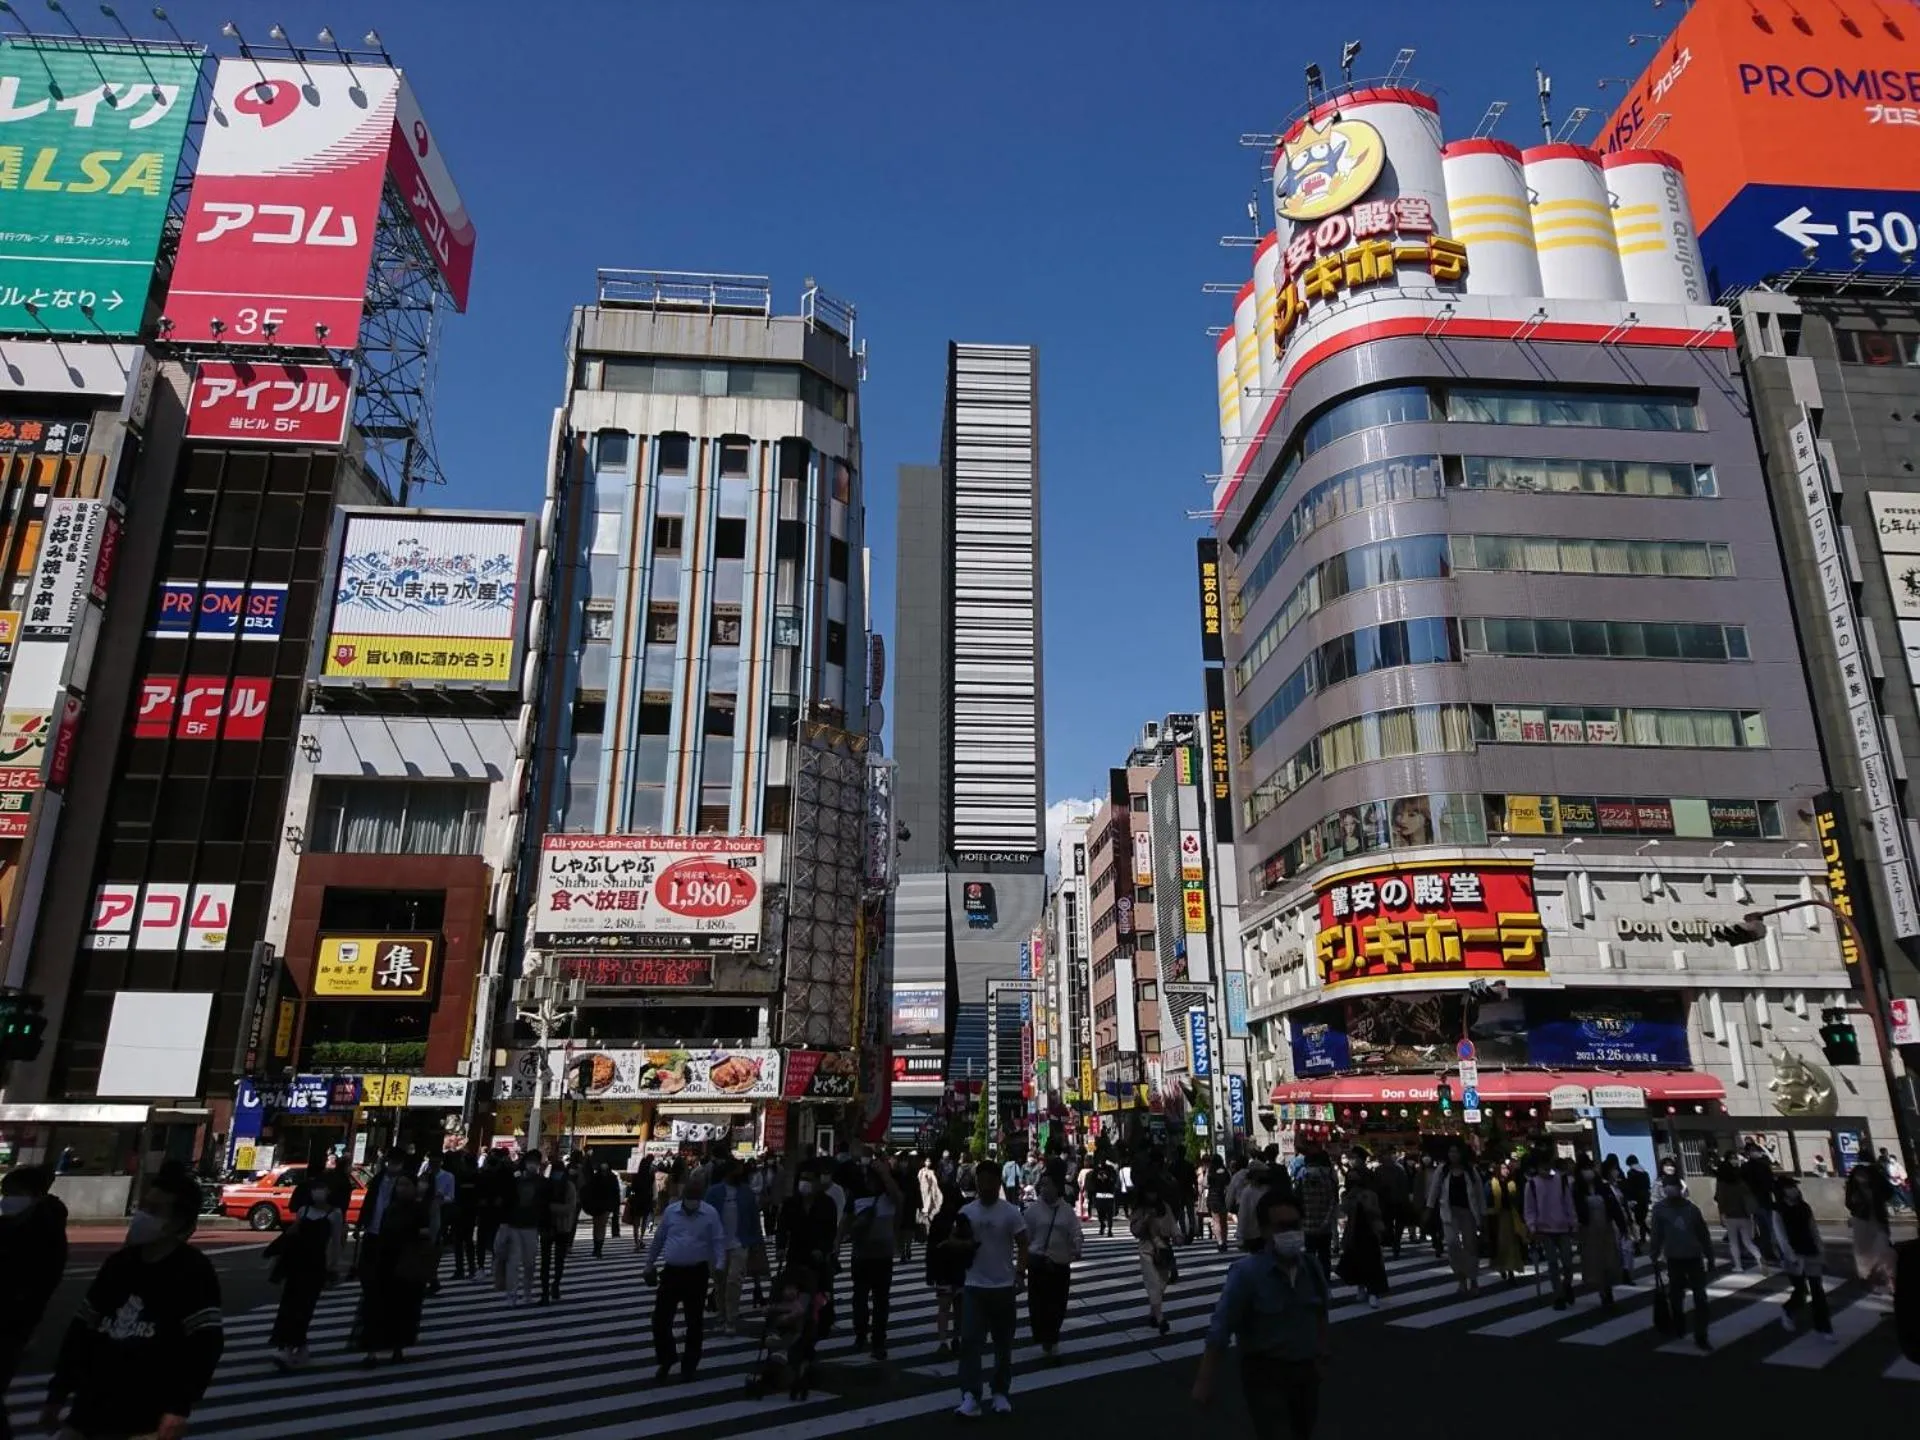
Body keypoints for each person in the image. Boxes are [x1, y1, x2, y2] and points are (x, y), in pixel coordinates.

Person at [41, 1164, 222, 1440]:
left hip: (145, 1414)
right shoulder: (119, 1264)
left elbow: (205, 1345)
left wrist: (178, 1407)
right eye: (144, 1206)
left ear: (179, 1223)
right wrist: (58, 1392)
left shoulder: (194, 1272)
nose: (142, 1216)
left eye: (155, 1211)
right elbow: (82, 1329)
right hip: (90, 1404)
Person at [1192, 1192, 1330, 1440]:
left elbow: (1320, 1313)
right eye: (1281, 1227)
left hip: (1305, 1370)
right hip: (1265, 1372)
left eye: (1295, 1226)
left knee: (1303, 1431)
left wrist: (1321, 1354)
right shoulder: (1247, 1273)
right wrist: (1205, 1379)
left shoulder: (1311, 1267)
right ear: (1265, 1230)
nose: (1290, 1233)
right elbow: (1221, 1327)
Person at [952, 1162, 1027, 1418]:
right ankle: (971, 1395)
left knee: (1003, 1343)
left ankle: (1000, 1392)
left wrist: (1020, 1272)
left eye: (989, 1181)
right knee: (970, 1341)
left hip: (1003, 1285)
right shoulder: (966, 1211)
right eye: (980, 1181)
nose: (984, 1186)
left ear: (998, 1183)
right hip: (974, 1285)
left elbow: (1023, 1243)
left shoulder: (1010, 1212)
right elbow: (956, 1241)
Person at [0, 1165, 67, 1440]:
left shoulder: (42, 1232)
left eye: (11, 1193)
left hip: (10, 1325)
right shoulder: (17, 1225)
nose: (5, 1199)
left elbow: (31, 1283)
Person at [645, 1172, 726, 1384]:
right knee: (661, 1318)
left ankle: (689, 1365)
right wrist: (649, 1263)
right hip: (672, 1271)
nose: (691, 1202)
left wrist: (719, 1265)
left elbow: (718, 1241)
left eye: (695, 1197)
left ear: (701, 1197)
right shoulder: (672, 1213)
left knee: (694, 1321)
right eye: (688, 1196)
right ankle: (666, 1358)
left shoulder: (710, 1214)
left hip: (697, 1273)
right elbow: (659, 1239)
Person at [265, 1174, 342, 1368]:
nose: (318, 1192)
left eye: (322, 1188)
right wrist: (277, 1258)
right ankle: (291, 1346)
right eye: (316, 1188)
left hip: (316, 1264)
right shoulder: (303, 1211)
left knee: (305, 1306)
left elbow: (335, 1242)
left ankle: (291, 1347)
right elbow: (292, 1236)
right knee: (289, 1304)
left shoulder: (334, 1214)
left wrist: (333, 1266)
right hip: (297, 1261)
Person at [358, 1165, 432, 1366]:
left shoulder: (419, 1210)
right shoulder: (390, 1208)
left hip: (406, 1264)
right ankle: (372, 1352)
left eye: (406, 1185)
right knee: (376, 1308)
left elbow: (425, 1239)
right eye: (399, 1185)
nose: (402, 1189)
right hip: (385, 1262)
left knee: (402, 1310)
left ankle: (397, 1349)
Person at [1648, 1171, 1715, 1351]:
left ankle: (1701, 1334)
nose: (1671, 1190)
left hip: (1693, 1256)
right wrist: (1653, 1253)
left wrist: (1709, 1254)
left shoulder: (1691, 1209)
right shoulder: (1660, 1210)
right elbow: (1656, 1233)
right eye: (1668, 1187)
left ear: (1680, 1189)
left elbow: (1703, 1234)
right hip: (1674, 1257)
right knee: (1676, 1295)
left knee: (1700, 1297)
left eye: (1674, 1187)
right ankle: (1679, 1322)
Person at [845, 1155, 902, 1361]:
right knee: (859, 1297)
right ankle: (860, 1333)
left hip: (883, 1256)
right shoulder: (856, 1195)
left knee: (881, 1301)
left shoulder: (889, 1197)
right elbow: (846, 1220)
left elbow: (898, 1197)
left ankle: (878, 1341)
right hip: (861, 1254)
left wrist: (885, 1174)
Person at [1022, 1169, 1082, 1359]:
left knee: (1058, 1303)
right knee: (1038, 1303)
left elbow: (1076, 1232)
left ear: (1058, 1188)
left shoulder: (1066, 1210)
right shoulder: (1032, 1211)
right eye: (1043, 1184)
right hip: (1038, 1262)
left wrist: (1077, 1246)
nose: (1044, 1189)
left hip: (1060, 1263)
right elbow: (1025, 1238)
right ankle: (1044, 1336)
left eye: (1049, 1185)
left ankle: (1052, 1335)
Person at [1771, 1174, 1833, 1340]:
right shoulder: (1778, 1211)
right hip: (1793, 1254)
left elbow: (1813, 1230)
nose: (1794, 1190)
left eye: (1795, 1187)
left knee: (1817, 1290)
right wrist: (1790, 1255)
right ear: (1782, 1191)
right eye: (1790, 1188)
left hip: (1810, 1251)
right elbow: (1781, 1236)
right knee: (1801, 1291)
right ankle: (1788, 1309)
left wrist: (1821, 1250)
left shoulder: (1804, 1207)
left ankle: (1824, 1328)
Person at [707, 1161, 764, 1335]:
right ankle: (722, 1316)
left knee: (734, 1280)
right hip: (717, 1244)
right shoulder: (714, 1192)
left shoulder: (746, 1192)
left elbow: (754, 1218)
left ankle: (731, 1317)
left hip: (740, 1242)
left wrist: (756, 1242)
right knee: (720, 1282)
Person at [1428, 1143, 1486, 1295]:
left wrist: (1482, 1215)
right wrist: (1428, 1208)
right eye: (1451, 1151)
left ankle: (1473, 1279)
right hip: (1449, 1212)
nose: (1453, 1155)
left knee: (1470, 1246)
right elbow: (1434, 1190)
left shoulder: (1470, 1171)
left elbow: (1479, 1194)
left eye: (1456, 1151)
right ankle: (1460, 1278)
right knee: (1452, 1244)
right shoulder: (1443, 1170)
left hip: (1468, 1212)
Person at [1524, 1154, 1578, 1309]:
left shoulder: (1560, 1181)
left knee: (1568, 1262)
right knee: (1553, 1263)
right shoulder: (1532, 1185)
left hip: (1562, 1227)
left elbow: (1568, 1203)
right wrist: (1532, 1227)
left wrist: (1573, 1222)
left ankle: (1566, 1284)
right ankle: (1558, 1295)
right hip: (1544, 1229)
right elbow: (1529, 1209)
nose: (1545, 1171)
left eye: (1547, 1167)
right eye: (1542, 1168)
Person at [924, 1170, 968, 1360]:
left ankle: (943, 1341)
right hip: (960, 1268)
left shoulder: (940, 1219)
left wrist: (930, 1270)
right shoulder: (964, 1219)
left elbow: (931, 1247)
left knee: (944, 1307)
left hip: (943, 1267)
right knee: (959, 1307)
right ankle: (957, 1338)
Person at [493, 1153, 545, 1305]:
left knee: (529, 1262)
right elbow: (505, 1202)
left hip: (531, 1226)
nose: (532, 1165)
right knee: (513, 1262)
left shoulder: (541, 1183)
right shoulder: (515, 1182)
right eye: (530, 1162)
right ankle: (512, 1294)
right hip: (514, 1226)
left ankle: (526, 1293)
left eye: (535, 1162)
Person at [1572, 1161, 1625, 1310]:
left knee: (1609, 1260)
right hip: (1588, 1231)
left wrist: (1622, 1226)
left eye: (1590, 1168)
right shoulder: (1577, 1190)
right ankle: (1603, 1291)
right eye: (1585, 1169)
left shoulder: (1603, 1187)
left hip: (1606, 1229)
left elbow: (1614, 1207)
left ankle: (1608, 1289)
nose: (1588, 1172)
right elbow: (1575, 1210)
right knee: (1595, 1262)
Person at [1334, 1163, 1387, 1308]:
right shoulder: (1348, 1195)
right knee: (1356, 1261)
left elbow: (1376, 1212)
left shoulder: (1370, 1194)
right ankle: (1361, 1288)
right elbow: (1343, 1211)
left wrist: (1364, 1203)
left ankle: (1372, 1292)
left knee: (1372, 1263)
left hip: (1369, 1232)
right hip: (1353, 1232)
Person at [1131, 1180, 1179, 1337]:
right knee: (1153, 1283)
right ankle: (1160, 1319)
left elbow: (1172, 1225)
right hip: (1147, 1247)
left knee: (1162, 1283)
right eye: (1149, 1192)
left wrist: (1177, 1236)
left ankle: (1153, 1313)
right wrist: (1145, 1219)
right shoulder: (1140, 1209)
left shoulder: (1164, 1207)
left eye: (1154, 1192)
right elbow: (1135, 1230)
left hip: (1164, 1248)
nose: (1152, 1195)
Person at [1846, 1160, 1897, 1294]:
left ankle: (1892, 1281)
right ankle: (1872, 1279)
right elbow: (1849, 1205)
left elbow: (1889, 1192)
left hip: (1879, 1222)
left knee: (1885, 1252)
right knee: (1866, 1255)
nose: (1861, 1178)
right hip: (1863, 1224)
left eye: (1864, 1175)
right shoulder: (1853, 1190)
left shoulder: (1876, 1186)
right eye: (1858, 1175)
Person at [541, 1158, 581, 1303]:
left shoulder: (568, 1186)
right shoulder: (547, 1185)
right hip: (548, 1226)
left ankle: (555, 1284)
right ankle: (545, 1291)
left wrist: (550, 1207)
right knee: (546, 1261)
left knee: (558, 1260)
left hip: (562, 1227)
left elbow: (570, 1208)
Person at [1712, 1160, 1762, 1273]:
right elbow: (1749, 1198)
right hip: (1745, 1215)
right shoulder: (1741, 1184)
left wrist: (1722, 1215)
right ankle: (1759, 1258)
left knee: (1733, 1243)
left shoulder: (1722, 1185)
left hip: (1730, 1216)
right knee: (1748, 1241)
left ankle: (1738, 1266)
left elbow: (1721, 1201)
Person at [1296, 1151, 1337, 1277]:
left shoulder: (1301, 1180)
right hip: (1324, 1225)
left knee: (1310, 1254)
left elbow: (1298, 1202)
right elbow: (1332, 1201)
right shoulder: (1327, 1180)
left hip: (1308, 1224)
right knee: (1325, 1255)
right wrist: (1327, 1220)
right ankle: (1325, 1279)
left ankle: (1313, 1280)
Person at [1486, 1160, 1527, 1284]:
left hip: (1511, 1217)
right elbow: (1487, 1201)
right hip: (1497, 1218)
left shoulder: (1512, 1184)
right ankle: (1502, 1267)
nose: (1506, 1170)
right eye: (1503, 1168)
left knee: (1512, 1245)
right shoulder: (1490, 1184)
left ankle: (1510, 1270)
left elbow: (1518, 1201)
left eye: (1507, 1168)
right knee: (1500, 1244)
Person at [475, 1148, 512, 1280]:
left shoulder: (502, 1174)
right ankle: (484, 1266)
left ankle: (486, 1265)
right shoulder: (484, 1175)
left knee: (491, 1239)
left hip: (494, 1211)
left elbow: (508, 1191)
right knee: (488, 1238)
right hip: (489, 1210)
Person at [583, 1158, 621, 1259]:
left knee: (600, 1226)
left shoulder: (609, 1177)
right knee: (597, 1226)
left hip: (604, 1205)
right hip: (598, 1205)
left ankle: (598, 1249)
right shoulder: (602, 1177)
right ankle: (597, 1248)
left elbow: (615, 1193)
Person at [1621, 1155, 1651, 1248]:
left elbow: (1631, 1188)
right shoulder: (1645, 1172)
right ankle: (1646, 1236)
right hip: (1645, 1198)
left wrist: (1630, 1199)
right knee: (1642, 1218)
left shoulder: (1631, 1173)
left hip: (1637, 1199)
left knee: (1639, 1220)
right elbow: (1648, 1186)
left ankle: (1646, 1236)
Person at [1206, 1158, 1232, 1252]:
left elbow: (1206, 1184)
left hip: (1212, 1197)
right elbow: (1229, 1184)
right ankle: (1225, 1241)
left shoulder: (1210, 1171)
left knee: (1216, 1220)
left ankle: (1220, 1242)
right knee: (1223, 1221)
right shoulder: (1225, 1171)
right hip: (1222, 1197)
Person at [1088, 1158, 1119, 1236]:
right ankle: (1102, 1225)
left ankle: (1109, 1229)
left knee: (1109, 1214)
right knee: (1101, 1213)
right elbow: (1092, 1181)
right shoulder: (1096, 1170)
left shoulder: (1110, 1169)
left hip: (1108, 1194)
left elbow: (1114, 1180)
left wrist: (1108, 1179)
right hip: (1100, 1194)